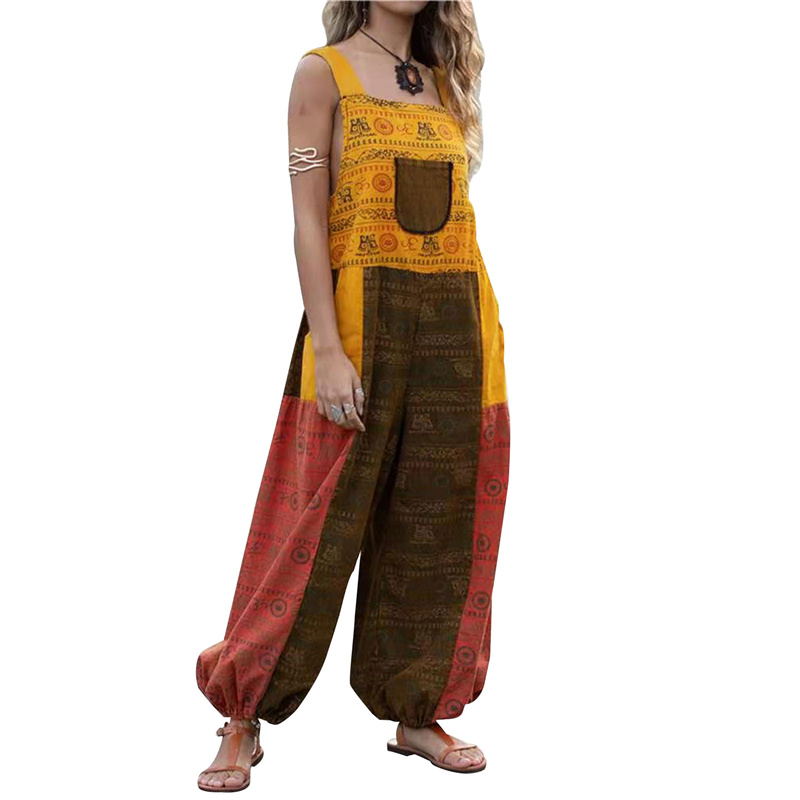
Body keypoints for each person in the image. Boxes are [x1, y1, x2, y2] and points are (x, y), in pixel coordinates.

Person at [196, 1, 509, 789]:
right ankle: (242, 713)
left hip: (458, 323)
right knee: (311, 516)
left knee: (437, 518)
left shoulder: (445, 80)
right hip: (359, 324)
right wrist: (329, 349)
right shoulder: (322, 74)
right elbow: (308, 222)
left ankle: (416, 710)